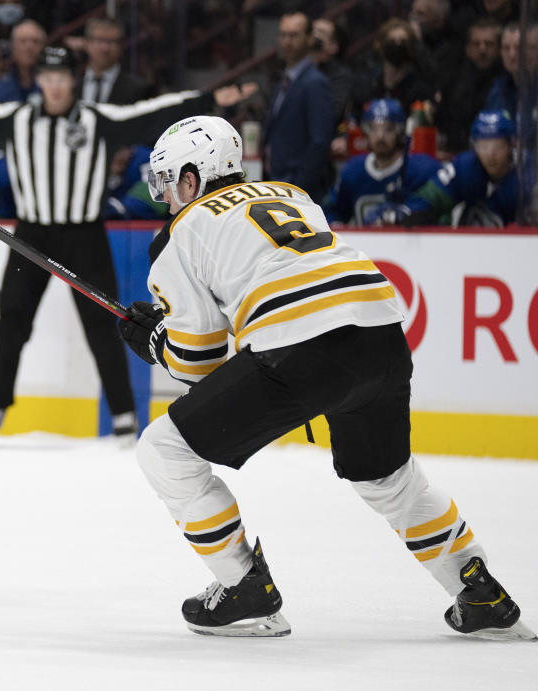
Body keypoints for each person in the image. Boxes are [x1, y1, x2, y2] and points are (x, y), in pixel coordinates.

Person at [116, 114, 534, 640]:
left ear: (193, 179)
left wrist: (154, 341)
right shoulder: (291, 193)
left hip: (300, 347)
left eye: (169, 181)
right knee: (387, 477)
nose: (166, 197)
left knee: (164, 449)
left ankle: (244, 587)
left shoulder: (181, 233)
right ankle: (481, 592)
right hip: (381, 333)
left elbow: (197, 362)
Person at [0, 46, 225, 445]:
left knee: (106, 324)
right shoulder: (18, 120)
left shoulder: (99, 120)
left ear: (72, 82)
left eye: (62, 79)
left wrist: (207, 99)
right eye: (48, 78)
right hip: (33, 234)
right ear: (39, 80)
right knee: (12, 321)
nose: (56, 87)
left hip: (84, 234)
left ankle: (124, 415)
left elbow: (150, 112)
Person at [368, 109, 518, 227]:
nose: (490, 154)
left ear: (512, 145)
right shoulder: (465, 168)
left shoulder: (524, 175)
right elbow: (431, 197)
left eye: (498, 146)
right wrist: (408, 211)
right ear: (474, 146)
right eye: (484, 146)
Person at [323, 98, 440, 225]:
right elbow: (330, 211)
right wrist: (334, 224)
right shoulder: (352, 171)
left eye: (388, 129)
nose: (380, 136)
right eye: (373, 128)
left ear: (400, 132)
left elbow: (439, 211)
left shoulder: (423, 170)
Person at [262, 11, 334, 202]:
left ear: (309, 39)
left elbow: (320, 141)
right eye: (283, 35)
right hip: (278, 182)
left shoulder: (315, 82)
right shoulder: (283, 82)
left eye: (294, 35)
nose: (287, 41)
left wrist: (299, 185)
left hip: (299, 188)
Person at [436, 18, 502, 155]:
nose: (482, 49)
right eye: (476, 44)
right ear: (467, 49)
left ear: (499, 49)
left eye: (488, 44)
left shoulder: (506, 84)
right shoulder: (453, 83)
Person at [77, 17, 155, 105]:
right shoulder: (71, 85)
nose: (105, 48)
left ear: (121, 46)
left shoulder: (139, 89)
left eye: (111, 41)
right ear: (87, 43)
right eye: (99, 40)